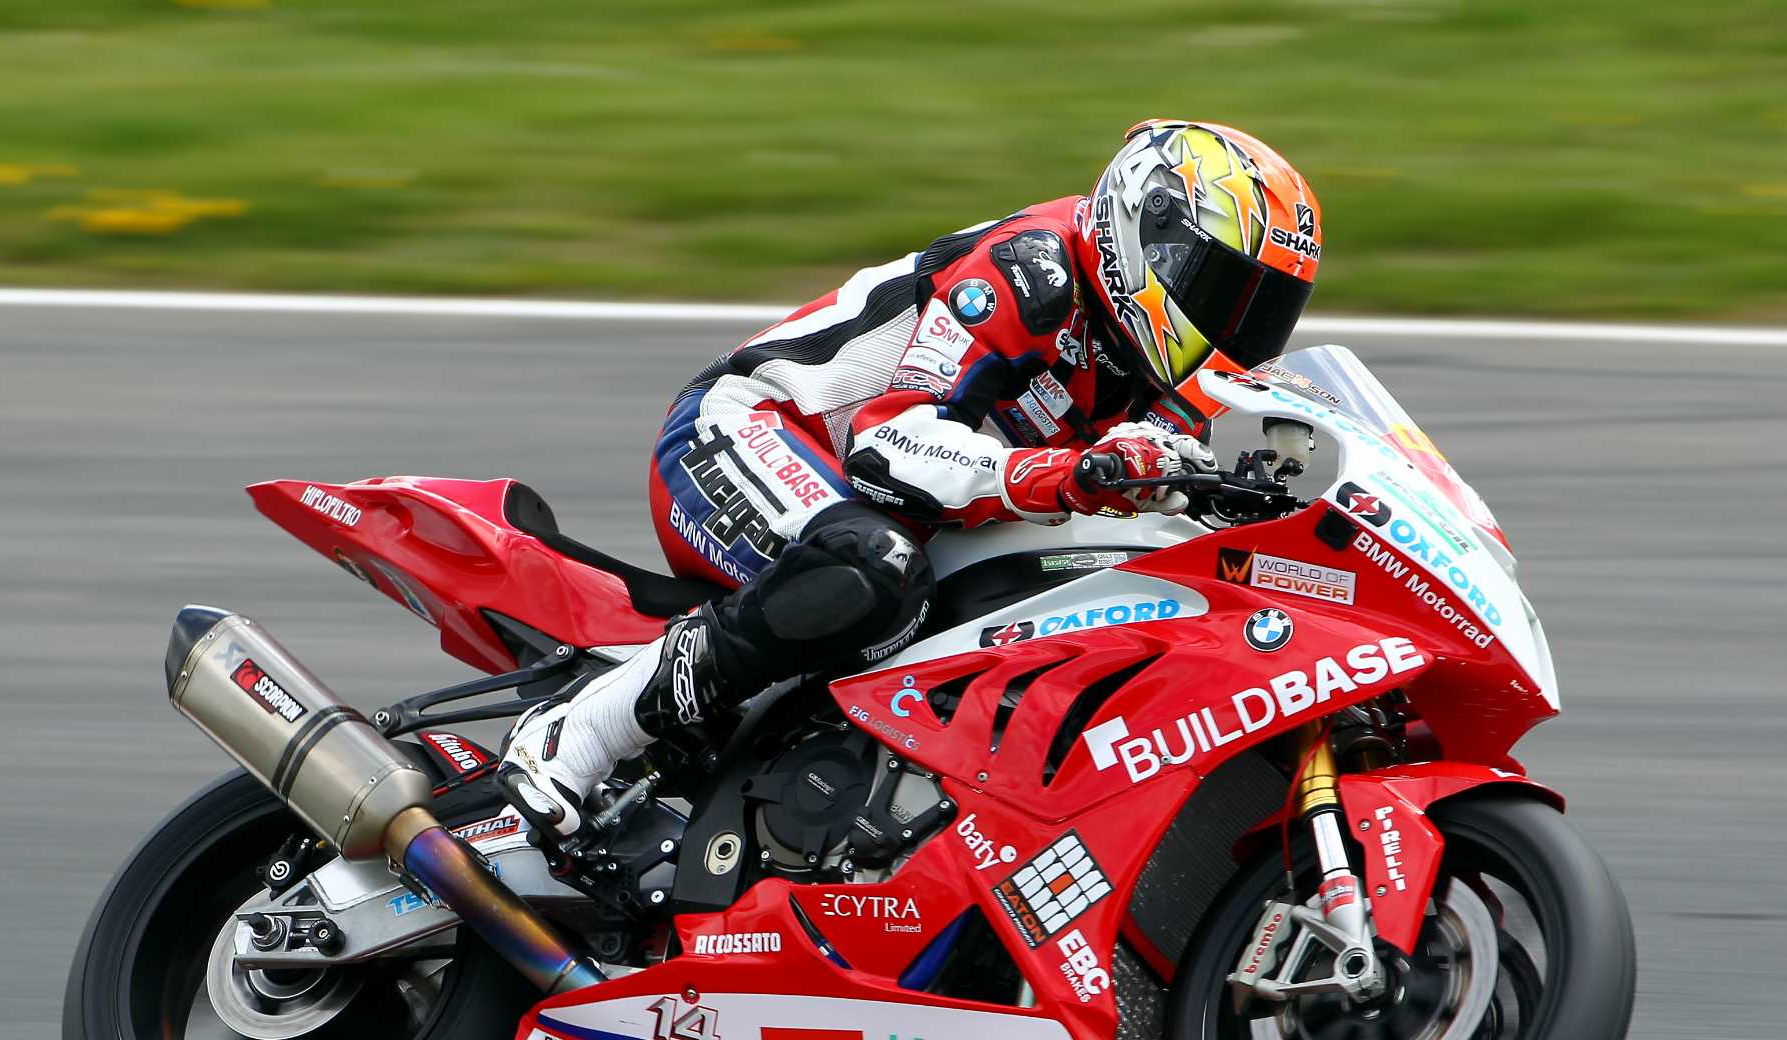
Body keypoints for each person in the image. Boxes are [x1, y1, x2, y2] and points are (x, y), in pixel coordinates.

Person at [499, 118, 1322, 837]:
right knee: (873, 570)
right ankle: (581, 733)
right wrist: (1068, 474)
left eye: (1266, 309)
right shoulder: (1033, 270)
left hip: (896, 502)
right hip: (748, 431)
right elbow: (889, 448)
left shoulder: (1160, 377)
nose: (1240, 328)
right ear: (1149, 236)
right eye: (1225, 292)